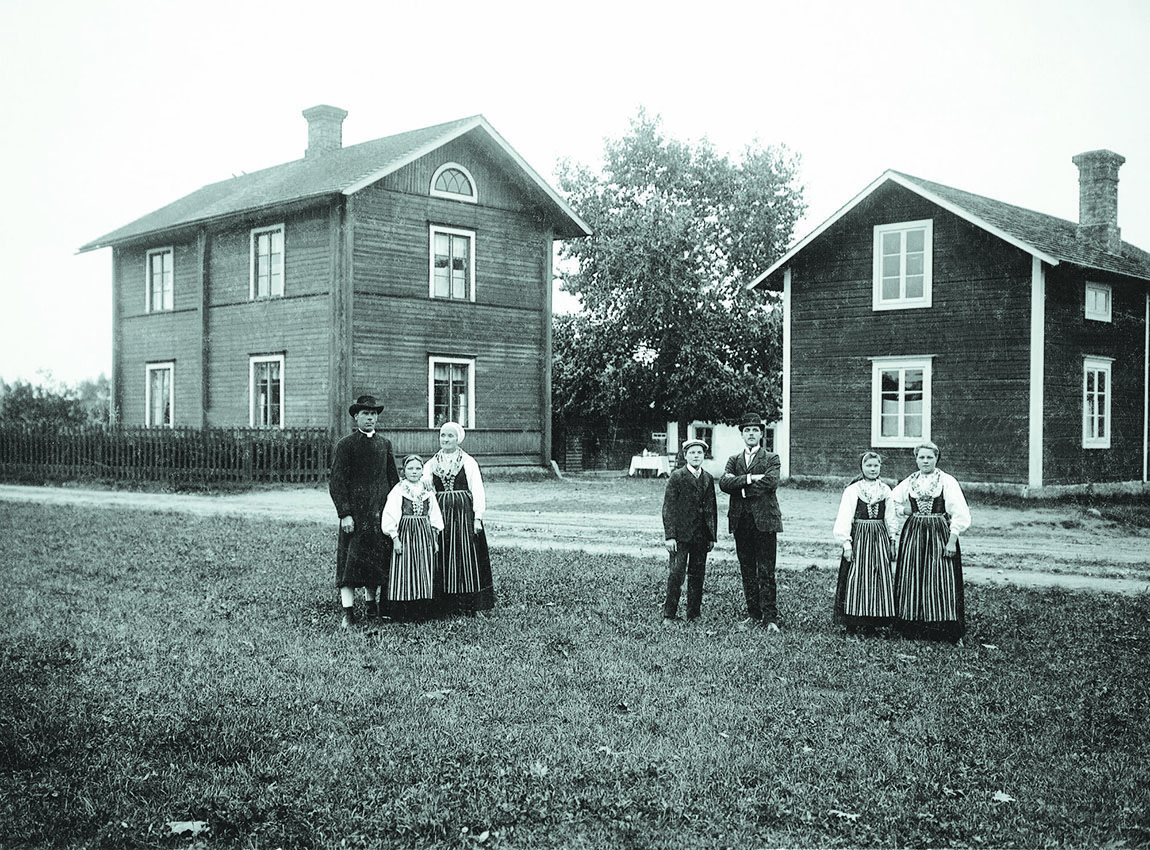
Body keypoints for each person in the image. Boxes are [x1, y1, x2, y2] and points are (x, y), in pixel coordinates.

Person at [328, 395, 400, 629]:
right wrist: (345, 513)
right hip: (355, 517)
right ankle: (348, 613)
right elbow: (337, 482)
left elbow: (394, 481)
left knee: (374, 563)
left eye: (374, 414)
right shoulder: (346, 445)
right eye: (365, 414)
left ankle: (371, 607)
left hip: (379, 515)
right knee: (349, 563)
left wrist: (397, 511)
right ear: (356, 416)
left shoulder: (384, 444)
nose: (370, 417)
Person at [890, 442, 971, 644]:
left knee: (940, 576)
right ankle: (913, 626)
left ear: (937, 459)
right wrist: (903, 511)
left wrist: (952, 540)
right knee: (913, 575)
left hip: (939, 532)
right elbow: (890, 501)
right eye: (921, 457)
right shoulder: (910, 481)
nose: (925, 461)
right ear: (916, 459)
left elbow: (960, 512)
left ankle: (945, 629)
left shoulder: (947, 481)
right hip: (914, 532)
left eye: (929, 457)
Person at [719, 412, 784, 632]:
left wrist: (742, 490)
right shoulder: (733, 460)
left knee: (766, 570)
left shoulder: (771, 458)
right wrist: (748, 478)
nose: (751, 434)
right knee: (747, 570)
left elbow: (770, 482)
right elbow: (724, 484)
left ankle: (770, 619)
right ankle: (754, 615)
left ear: (761, 434)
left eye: (755, 430)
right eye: (747, 430)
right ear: (742, 434)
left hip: (765, 521)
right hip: (741, 522)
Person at [424, 422, 495, 614]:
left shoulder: (468, 462)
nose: (446, 440)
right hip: (440, 514)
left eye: (450, 436)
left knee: (464, 554)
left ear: (458, 439)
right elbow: (424, 490)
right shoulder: (431, 464)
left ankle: (468, 605)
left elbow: (477, 490)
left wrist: (477, 517)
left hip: (463, 514)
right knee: (443, 553)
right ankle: (444, 605)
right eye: (443, 436)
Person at [832, 451, 898, 637]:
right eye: (868, 465)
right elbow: (845, 517)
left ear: (880, 467)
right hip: (859, 537)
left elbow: (890, 517)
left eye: (876, 466)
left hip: (879, 537)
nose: (872, 469)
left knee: (878, 577)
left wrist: (892, 540)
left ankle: (873, 623)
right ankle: (852, 623)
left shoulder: (885, 490)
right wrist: (846, 544)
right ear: (862, 467)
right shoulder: (853, 490)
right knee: (856, 576)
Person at [381, 455, 444, 622]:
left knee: (424, 569)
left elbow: (434, 515)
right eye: (410, 468)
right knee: (405, 569)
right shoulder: (399, 490)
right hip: (406, 534)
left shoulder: (427, 491)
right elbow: (390, 515)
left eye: (418, 469)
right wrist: (395, 538)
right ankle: (403, 612)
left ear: (422, 471)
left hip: (424, 534)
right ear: (404, 471)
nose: (414, 472)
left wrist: (435, 538)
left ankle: (422, 610)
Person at [660, 438, 718, 623]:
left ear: (704, 456)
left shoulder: (707, 478)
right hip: (681, 537)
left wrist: (711, 536)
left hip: (700, 537)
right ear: (685, 456)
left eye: (699, 452)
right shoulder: (677, 476)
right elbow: (668, 507)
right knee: (676, 575)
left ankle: (694, 614)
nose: (696, 456)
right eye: (692, 452)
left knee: (697, 575)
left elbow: (711, 509)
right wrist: (670, 536)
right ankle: (669, 614)